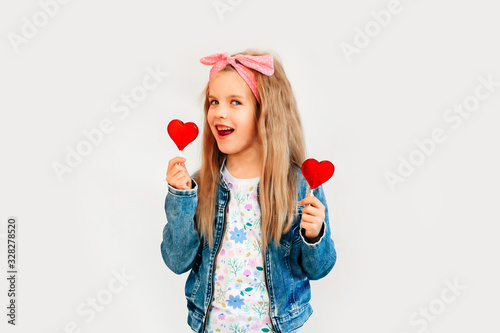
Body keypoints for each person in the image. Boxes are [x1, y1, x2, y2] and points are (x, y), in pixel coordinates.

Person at [161, 50, 337, 333]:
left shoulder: (298, 185)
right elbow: (177, 260)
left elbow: (319, 269)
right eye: (213, 101)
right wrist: (180, 198)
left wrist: (315, 234)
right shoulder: (199, 185)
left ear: (265, 113)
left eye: (235, 102)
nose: (219, 111)